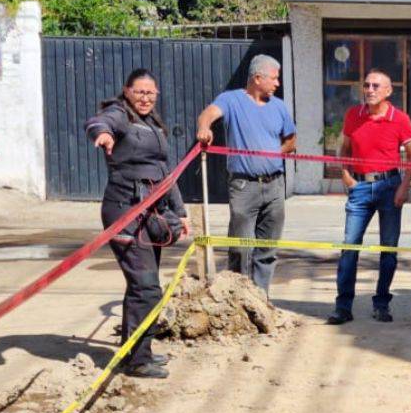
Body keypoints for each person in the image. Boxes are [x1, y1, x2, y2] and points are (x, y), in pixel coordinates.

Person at [86, 68, 191, 379]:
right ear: (127, 91)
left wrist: (180, 211)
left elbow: (165, 172)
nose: (145, 98)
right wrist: (101, 134)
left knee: (141, 287)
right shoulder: (118, 114)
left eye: (151, 93)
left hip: (152, 212)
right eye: (140, 92)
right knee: (146, 287)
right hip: (125, 212)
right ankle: (137, 360)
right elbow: (98, 123)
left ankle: (137, 352)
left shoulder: (151, 124)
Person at [196, 54, 296, 295]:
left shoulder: (279, 107)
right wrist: (204, 128)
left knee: (268, 246)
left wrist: (272, 155)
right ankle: (238, 296)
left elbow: (291, 141)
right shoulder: (231, 100)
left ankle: (260, 297)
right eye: (274, 78)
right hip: (244, 186)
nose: (277, 83)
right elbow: (207, 114)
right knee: (241, 246)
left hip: (274, 185)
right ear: (257, 78)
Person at [327, 69, 411, 324]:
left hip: (390, 186)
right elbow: (344, 149)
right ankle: (343, 306)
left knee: (388, 249)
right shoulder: (352, 115)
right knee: (349, 246)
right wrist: (346, 176)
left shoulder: (399, 119)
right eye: (366, 85)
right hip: (360, 188)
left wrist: (404, 187)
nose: (370, 90)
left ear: (388, 91)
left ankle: (381, 303)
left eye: (376, 86)